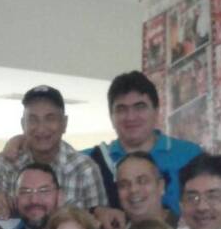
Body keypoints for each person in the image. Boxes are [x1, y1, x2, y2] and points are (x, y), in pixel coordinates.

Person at [0, 85, 122, 229]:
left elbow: (98, 226)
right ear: (23, 124)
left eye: (50, 119)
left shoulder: (85, 169)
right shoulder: (4, 165)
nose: (41, 128)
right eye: (33, 119)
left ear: (64, 123)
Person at [84, 71, 203, 216]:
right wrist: (95, 211)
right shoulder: (88, 162)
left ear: (156, 111)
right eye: (121, 109)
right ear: (111, 117)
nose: (131, 117)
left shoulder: (190, 155)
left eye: (140, 107)